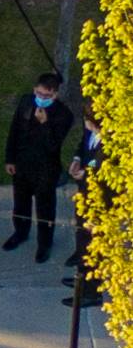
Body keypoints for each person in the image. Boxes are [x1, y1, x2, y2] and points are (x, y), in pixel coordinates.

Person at [4, 72, 74, 263]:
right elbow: (15, 130)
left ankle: (44, 243)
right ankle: (20, 231)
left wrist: (45, 124)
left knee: (45, 208)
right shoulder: (27, 102)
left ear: (55, 95)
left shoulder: (63, 115)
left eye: (46, 96)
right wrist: (10, 159)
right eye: (39, 94)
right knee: (20, 203)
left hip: (45, 169)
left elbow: (53, 144)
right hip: (22, 163)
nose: (41, 99)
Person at [64, 105, 106, 306]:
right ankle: (82, 277)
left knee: (92, 244)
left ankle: (91, 291)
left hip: (98, 199)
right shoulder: (91, 132)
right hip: (85, 194)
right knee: (82, 238)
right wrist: (77, 159)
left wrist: (87, 174)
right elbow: (84, 144)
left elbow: (107, 171)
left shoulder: (110, 141)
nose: (86, 125)